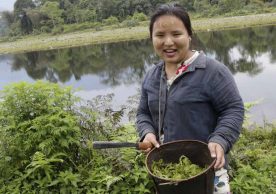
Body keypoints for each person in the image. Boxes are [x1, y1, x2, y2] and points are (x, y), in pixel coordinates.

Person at [136, 3, 244, 194]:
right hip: (168, 172)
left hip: (209, 168)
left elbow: (233, 109)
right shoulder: (152, 76)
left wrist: (220, 139)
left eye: (176, 34)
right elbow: (143, 113)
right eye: (160, 35)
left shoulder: (212, 71)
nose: (168, 42)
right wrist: (147, 133)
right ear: (151, 38)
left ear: (189, 35)